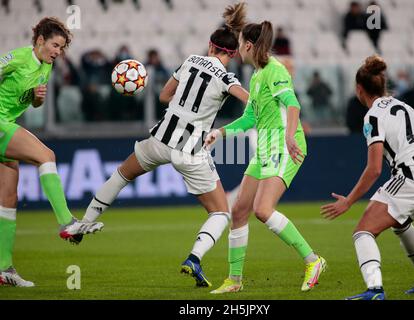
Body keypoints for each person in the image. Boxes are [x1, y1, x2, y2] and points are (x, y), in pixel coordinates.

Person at [82, 3, 249, 288]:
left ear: (210, 46)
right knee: (221, 213)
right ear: (232, 56)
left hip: (160, 139)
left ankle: (83, 223)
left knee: (123, 174)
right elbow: (247, 100)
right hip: (191, 150)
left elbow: (163, 96)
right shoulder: (227, 77)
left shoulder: (190, 60)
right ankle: (194, 258)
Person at [206, 20, 327, 294]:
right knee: (238, 211)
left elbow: (293, 105)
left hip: (284, 146)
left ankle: (313, 260)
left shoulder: (275, 70)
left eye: (240, 46)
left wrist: (289, 134)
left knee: (262, 210)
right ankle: (234, 281)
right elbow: (250, 117)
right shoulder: (257, 75)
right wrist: (220, 133)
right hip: (265, 148)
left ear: (248, 46)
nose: (238, 51)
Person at [321, 55, 414, 300]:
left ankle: (374, 290)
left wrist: (348, 201)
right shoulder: (405, 107)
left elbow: (374, 169)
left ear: (359, 90)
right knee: (400, 222)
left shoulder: (372, 117)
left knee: (363, 232)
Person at [0, 17, 103, 287]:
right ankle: (66, 222)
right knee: (47, 156)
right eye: (55, 45)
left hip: (7, 123)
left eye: (62, 48)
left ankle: (4, 269)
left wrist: (37, 99)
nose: (58, 51)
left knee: (8, 200)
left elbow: (32, 103)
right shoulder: (18, 58)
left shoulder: (46, 66)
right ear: (40, 40)